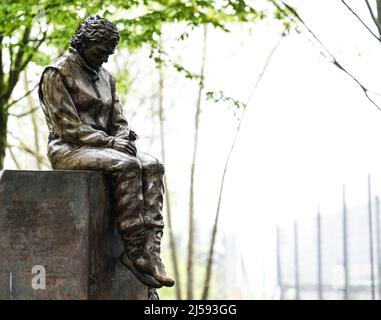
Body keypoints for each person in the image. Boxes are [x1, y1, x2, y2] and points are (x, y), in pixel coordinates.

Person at [38, 15, 174, 289]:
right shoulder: (57, 73)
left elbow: (119, 120)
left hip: (107, 148)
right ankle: (135, 250)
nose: (105, 59)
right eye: (101, 52)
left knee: (153, 165)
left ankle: (151, 250)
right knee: (127, 166)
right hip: (70, 149)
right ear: (84, 44)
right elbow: (67, 127)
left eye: (109, 54)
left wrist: (123, 137)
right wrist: (111, 143)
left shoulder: (106, 78)